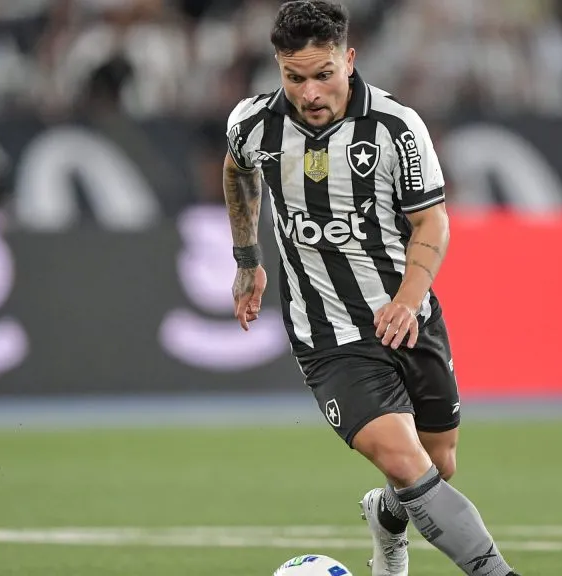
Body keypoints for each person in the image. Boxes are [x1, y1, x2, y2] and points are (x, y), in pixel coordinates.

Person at [221, 2, 519, 575]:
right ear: (279, 68)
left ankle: (385, 518)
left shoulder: (394, 127)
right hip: (328, 337)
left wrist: (409, 299)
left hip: (408, 316)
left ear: (349, 60)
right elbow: (237, 169)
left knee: (439, 464)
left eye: (323, 75)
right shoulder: (254, 125)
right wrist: (246, 258)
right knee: (408, 464)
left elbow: (432, 221)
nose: (309, 93)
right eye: (295, 77)